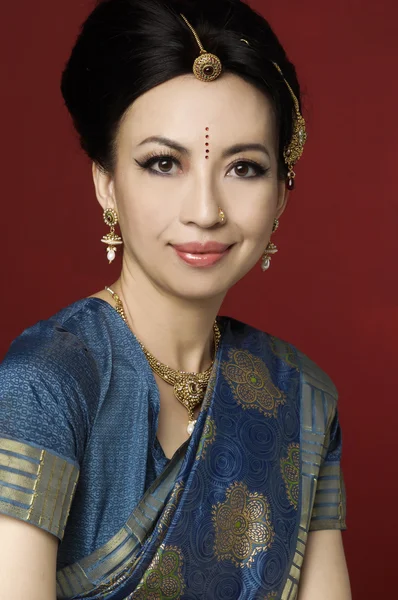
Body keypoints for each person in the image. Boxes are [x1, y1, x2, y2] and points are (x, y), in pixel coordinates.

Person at [0, 0, 351, 598]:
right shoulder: (48, 384)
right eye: (164, 163)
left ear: (282, 196)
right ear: (106, 182)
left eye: (244, 168)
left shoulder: (299, 397)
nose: (206, 211)